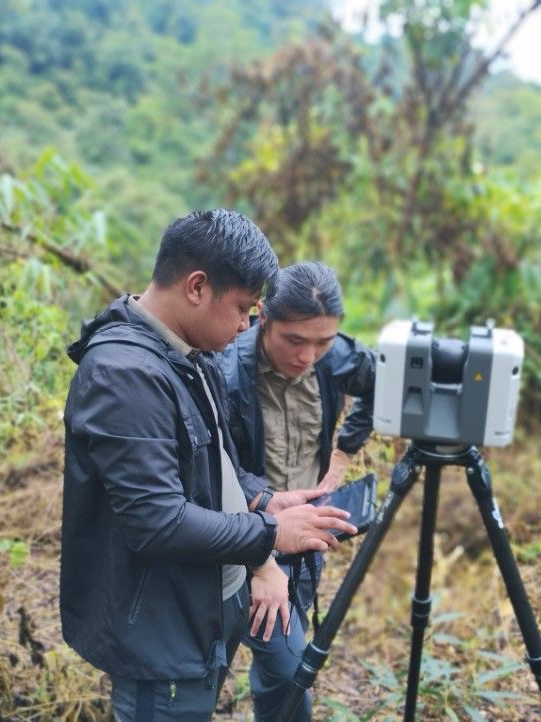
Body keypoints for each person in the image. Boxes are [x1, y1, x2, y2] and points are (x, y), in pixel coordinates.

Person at [60, 210, 358, 722]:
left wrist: (263, 497)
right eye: (242, 308)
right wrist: (270, 531)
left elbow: (214, 461)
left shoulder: (185, 355)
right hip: (159, 630)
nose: (246, 324)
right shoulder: (125, 374)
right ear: (197, 287)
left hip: (196, 612)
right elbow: (158, 522)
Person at [221, 261, 376, 721]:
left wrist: (344, 453)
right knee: (289, 666)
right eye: (295, 340)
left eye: (322, 342)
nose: (309, 356)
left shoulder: (336, 357)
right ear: (263, 316)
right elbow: (216, 471)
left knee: (277, 668)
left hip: (306, 545)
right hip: (243, 538)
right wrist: (261, 558)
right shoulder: (226, 370)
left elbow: (381, 381)